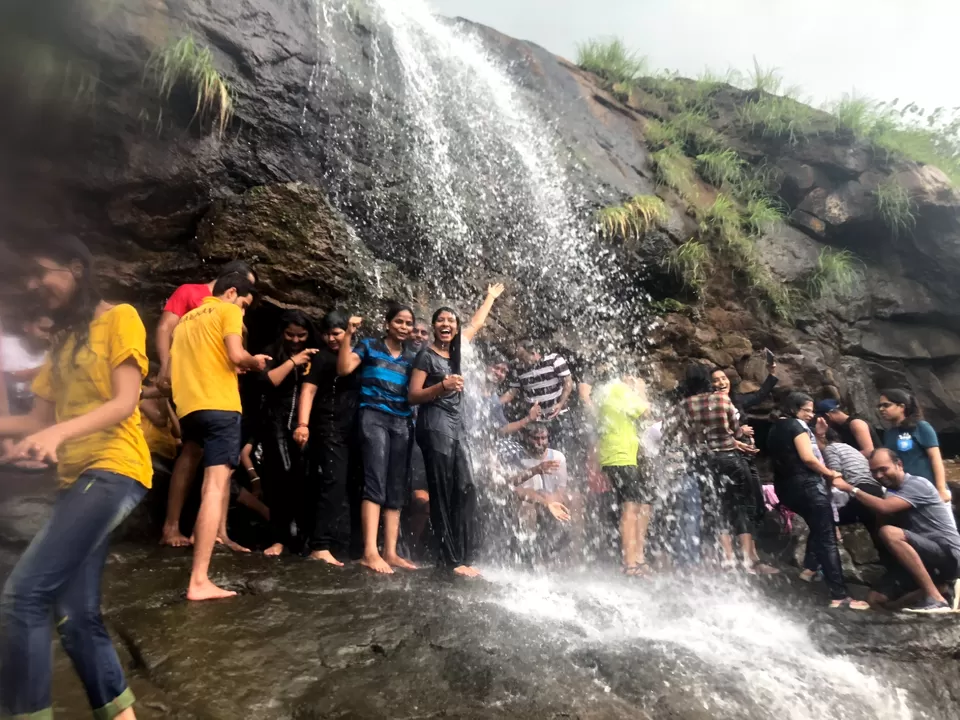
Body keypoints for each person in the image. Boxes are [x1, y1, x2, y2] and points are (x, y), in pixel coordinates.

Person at [0, 236, 151, 720]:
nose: (33, 284)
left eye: (40, 272)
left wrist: (60, 431)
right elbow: (35, 420)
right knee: (76, 616)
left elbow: (125, 401)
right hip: (77, 480)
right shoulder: (63, 340)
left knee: (23, 597)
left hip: (114, 468)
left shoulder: (119, 318)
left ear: (75, 269)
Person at [169, 272, 270, 600]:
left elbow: (188, 364)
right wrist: (254, 362)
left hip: (189, 408)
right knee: (214, 487)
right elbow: (236, 355)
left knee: (201, 475)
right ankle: (199, 580)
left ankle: (186, 540)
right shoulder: (227, 311)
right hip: (220, 407)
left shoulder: (185, 320)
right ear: (231, 292)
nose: (243, 311)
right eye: (244, 303)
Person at [157, 260, 256, 547]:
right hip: (199, 390)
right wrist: (165, 368)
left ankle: (219, 531)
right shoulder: (192, 294)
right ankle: (172, 527)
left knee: (221, 465)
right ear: (232, 285)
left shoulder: (230, 311)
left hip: (217, 388)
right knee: (195, 456)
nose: (245, 309)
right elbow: (166, 327)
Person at [408, 284, 504, 577]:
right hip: (434, 424)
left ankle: (463, 554)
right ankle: (450, 559)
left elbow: (476, 323)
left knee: (466, 486)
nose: (446, 324)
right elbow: (412, 395)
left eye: (451, 321)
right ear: (434, 327)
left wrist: (489, 297)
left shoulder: (458, 350)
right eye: (441, 321)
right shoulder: (426, 356)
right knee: (441, 491)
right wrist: (442, 386)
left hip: (457, 425)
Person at [766, 392, 867, 609]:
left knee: (819, 528)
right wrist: (830, 473)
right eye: (807, 410)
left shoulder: (775, 428)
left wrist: (817, 434)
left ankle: (809, 570)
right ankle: (839, 595)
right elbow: (808, 457)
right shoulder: (796, 425)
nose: (811, 415)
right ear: (793, 408)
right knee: (827, 537)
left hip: (786, 488)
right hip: (808, 486)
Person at [338, 303, 417, 574]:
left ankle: (390, 551)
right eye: (399, 322)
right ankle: (370, 552)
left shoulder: (413, 356)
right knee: (375, 480)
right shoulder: (370, 346)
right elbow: (345, 368)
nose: (404, 327)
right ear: (387, 324)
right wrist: (348, 334)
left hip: (402, 421)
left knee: (395, 485)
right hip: (373, 416)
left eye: (408, 323)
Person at [835, 448, 960, 614]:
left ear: (899, 465)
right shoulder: (891, 494)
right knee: (875, 600)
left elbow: (884, 509)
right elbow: (881, 523)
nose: (879, 475)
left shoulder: (917, 484)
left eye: (883, 469)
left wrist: (851, 489)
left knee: (889, 532)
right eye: (873, 472)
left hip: (948, 553)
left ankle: (936, 598)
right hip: (923, 558)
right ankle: (942, 589)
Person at [682, 364, 776, 574]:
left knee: (737, 506)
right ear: (708, 383)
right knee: (738, 506)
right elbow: (726, 432)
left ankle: (740, 558)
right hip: (731, 458)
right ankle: (741, 559)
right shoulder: (719, 402)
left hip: (724, 458)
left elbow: (690, 435)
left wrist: (772, 373)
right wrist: (738, 435)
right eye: (715, 380)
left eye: (723, 378)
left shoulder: (694, 404)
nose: (721, 383)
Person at [295, 310, 360, 566]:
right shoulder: (320, 358)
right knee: (332, 483)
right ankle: (319, 545)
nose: (332, 338)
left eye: (337, 333)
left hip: (353, 429)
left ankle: (355, 545)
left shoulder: (356, 357)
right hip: (328, 426)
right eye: (328, 333)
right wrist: (303, 424)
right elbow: (308, 391)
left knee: (355, 486)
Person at [257, 310, 318, 557]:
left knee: (304, 480)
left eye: (301, 335)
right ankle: (279, 537)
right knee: (280, 478)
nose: (295, 340)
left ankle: (304, 537)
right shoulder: (272, 351)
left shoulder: (315, 352)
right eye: (290, 335)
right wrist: (293, 361)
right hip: (276, 423)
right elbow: (267, 381)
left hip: (305, 424)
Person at [593, 373, 651, 575]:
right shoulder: (620, 391)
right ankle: (629, 563)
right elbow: (646, 412)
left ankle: (635, 558)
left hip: (615, 456)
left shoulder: (605, 393)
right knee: (630, 507)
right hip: (621, 456)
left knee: (639, 504)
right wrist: (640, 389)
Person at [507, 423, 576, 561]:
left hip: (551, 500)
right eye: (536, 438)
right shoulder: (518, 458)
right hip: (530, 502)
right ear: (527, 438)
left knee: (576, 499)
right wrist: (536, 470)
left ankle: (575, 556)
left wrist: (552, 502)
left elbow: (561, 488)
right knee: (528, 508)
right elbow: (515, 488)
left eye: (543, 438)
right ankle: (530, 558)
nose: (540, 443)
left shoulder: (558, 457)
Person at [878, 389, 950, 503]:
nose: (881, 409)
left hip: (929, 489)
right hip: (904, 491)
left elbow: (935, 458)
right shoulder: (889, 434)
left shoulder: (921, 427)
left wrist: (941, 489)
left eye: (886, 405)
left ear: (902, 407)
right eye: (880, 406)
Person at [501, 341, 574, 423]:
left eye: (522, 357)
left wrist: (561, 403)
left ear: (533, 353)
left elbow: (568, 382)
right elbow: (512, 392)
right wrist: (496, 403)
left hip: (559, 415)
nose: (519, 361)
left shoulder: (554, 359)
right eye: (518, 357)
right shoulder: (517, 368)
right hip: (534, 419)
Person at [815, 398, 879, 457]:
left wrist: (843, 458)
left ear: (827, 416)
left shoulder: (856, 423)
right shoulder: (840, 428)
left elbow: (869, 451)